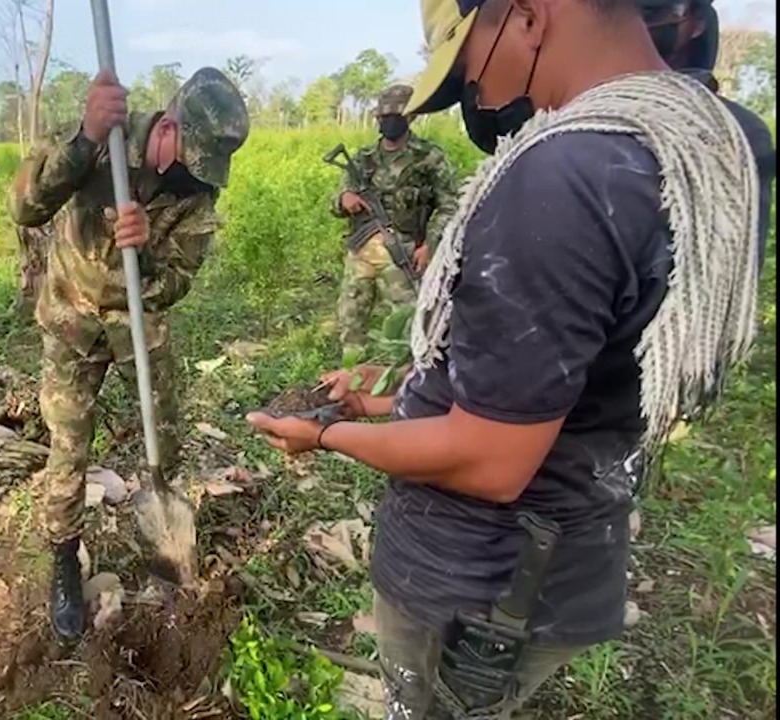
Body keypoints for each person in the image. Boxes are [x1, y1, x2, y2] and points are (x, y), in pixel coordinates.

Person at [246, 0, 759, 717]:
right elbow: (553, 375)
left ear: (525, 15)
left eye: (467, 73)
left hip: (480, 586)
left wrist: (325, 433)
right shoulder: (708, 143)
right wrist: (387, 400)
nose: (479, 101)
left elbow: (490, 458)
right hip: (566, 548)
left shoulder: (566, 173)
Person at [10, 67, 249, 644]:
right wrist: (88, 139)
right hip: (71, 319)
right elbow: (25, 208)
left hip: (140, 330)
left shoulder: (197, 195)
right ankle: (65, 558)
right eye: (191, 156)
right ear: (167, 127)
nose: (195, 176)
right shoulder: (98, 139)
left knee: (161, 440)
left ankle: (163, 539)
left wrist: (142, 254)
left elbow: (176, 282)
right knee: (68, 446)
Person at [640, 0, 775, 266]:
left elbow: (732, 266)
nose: (641, 25)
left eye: (655, 12)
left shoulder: (734, 128)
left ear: (697, 24)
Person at [332, 84, 457, 365]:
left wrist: (430, 244)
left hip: (405, 252)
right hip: (360, 252)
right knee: (351, 320)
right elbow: (335, 204)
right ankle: (352, 376)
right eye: (383, 116)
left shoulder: (429, 157)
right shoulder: (363, 159)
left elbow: (449, 206)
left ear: (411, 117)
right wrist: (344, 199)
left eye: (395, 115)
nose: (388, 121)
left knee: (407, 321)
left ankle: (404, 380)